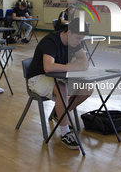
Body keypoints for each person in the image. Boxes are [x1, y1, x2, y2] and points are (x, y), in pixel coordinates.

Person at [27, 18, 93, 150]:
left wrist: (68, 66)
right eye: (78, 38)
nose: (79, 42)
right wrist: (71, 66)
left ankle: (59, 114)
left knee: (87, 88)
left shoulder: (74, 42)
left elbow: (84, 62)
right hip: (38, 77)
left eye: (81, 39)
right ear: (68, 32)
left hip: (59, 76)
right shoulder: (50, 41)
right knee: (62, 88)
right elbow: (48, 68)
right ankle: (65, 133)